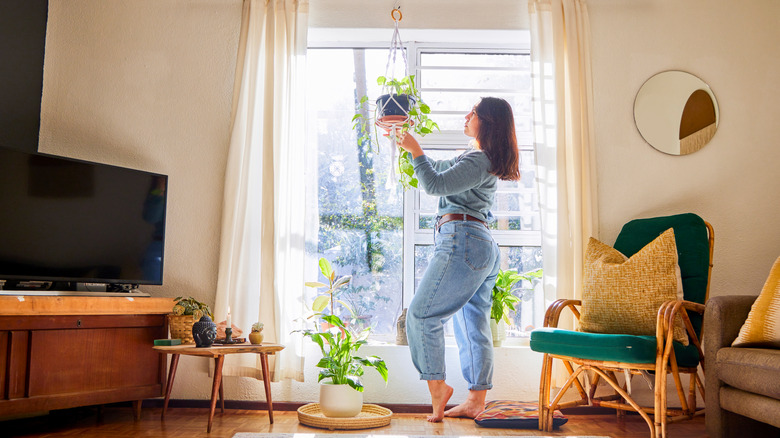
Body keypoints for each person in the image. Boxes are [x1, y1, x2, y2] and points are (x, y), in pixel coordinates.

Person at [393, 97, 521, 422]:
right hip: (478, 243)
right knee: (472, 323)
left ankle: (438, 386)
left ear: (487, 122)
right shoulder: (479, 158)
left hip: (463, 239)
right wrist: (412, 148)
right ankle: (477, 400)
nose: (466, 116)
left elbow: (435, 184)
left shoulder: (479, 159)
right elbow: (438, 172)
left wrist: (415, 149)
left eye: (473, 113)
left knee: (421, 316)